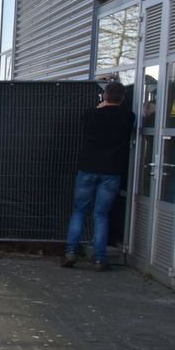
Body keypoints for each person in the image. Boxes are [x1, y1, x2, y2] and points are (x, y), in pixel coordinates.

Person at [62, 81, 135, 271]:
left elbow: (87, 118)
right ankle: (99, 258)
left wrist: (99, 106)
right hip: (111, 172)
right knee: (101, 215)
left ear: (104, 96)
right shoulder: (128, 117)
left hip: (88, 168)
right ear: (123, 98)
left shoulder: (92, 114)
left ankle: (71, 252)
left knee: (79, 211)